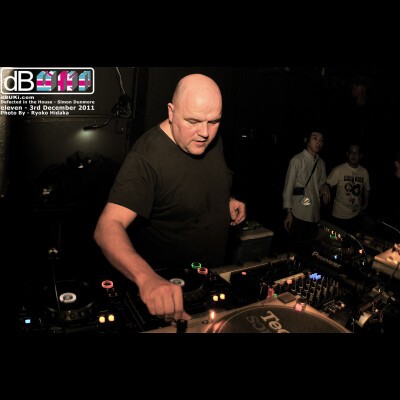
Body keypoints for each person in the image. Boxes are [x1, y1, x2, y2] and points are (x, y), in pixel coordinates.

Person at [94, 74, 246, 322]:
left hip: (210, 280)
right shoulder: (146, 158)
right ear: (171, 112)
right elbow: (107, 227)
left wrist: (226, 199)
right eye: (193, 121)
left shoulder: (210, 139)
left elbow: (198, 180)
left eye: (214, 121)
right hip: (172, 294)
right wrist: (147, 278)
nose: (204, 133)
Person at [283, 130, 327, 252]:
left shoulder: (321, 163)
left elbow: (321, 183)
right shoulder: (297, 160)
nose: (318, 142)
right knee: (294, 248)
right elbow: (288, 187)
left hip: (314, 213)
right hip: (298, 211)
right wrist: (288, 213)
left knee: (309, 249)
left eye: (321, 140)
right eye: (315, 138)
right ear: (306, 140)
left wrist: (325, 186)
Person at [321, 144, 370, 234]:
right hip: (339, 214)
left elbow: (367, 188)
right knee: (337, 240)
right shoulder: (339, 169)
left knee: (353, 239)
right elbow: (327, 183)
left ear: (360, 156)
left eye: (356, 153)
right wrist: (326, 186)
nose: (353, 155)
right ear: (347, 154)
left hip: (356, 215)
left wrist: (366, 204)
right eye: (351, 152)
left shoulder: (364, 172)